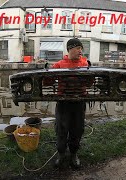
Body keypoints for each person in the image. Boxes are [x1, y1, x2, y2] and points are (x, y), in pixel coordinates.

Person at [51, 38, 88, 169]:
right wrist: (47, 73)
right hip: (63, 103)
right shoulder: (59, 64)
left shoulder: (85, 64)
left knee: (77, 129)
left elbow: (89, 83)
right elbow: (47, 82)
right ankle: (61, 154)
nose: (80, 51)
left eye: (81, 48)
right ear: (70, 49)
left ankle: (73, 154)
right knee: (61, 129)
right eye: (78, 48)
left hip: (79, 103)